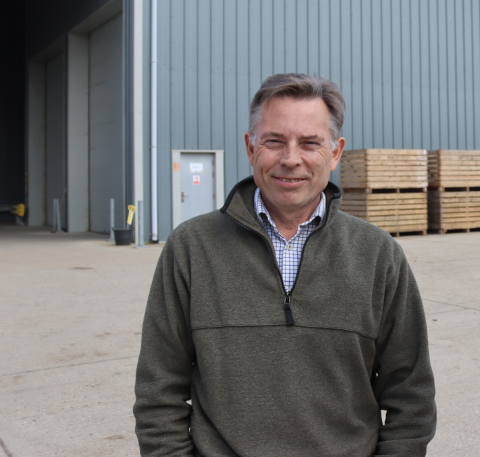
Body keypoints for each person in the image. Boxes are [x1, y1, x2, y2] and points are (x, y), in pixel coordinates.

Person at [134, 73, 437, 456]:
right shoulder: (192, 247)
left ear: (336, 151)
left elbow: (411, 394)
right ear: (250, 147)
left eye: (310, 143)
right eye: (274, 141)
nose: (291, 159)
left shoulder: (378, 254)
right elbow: (158, 390)